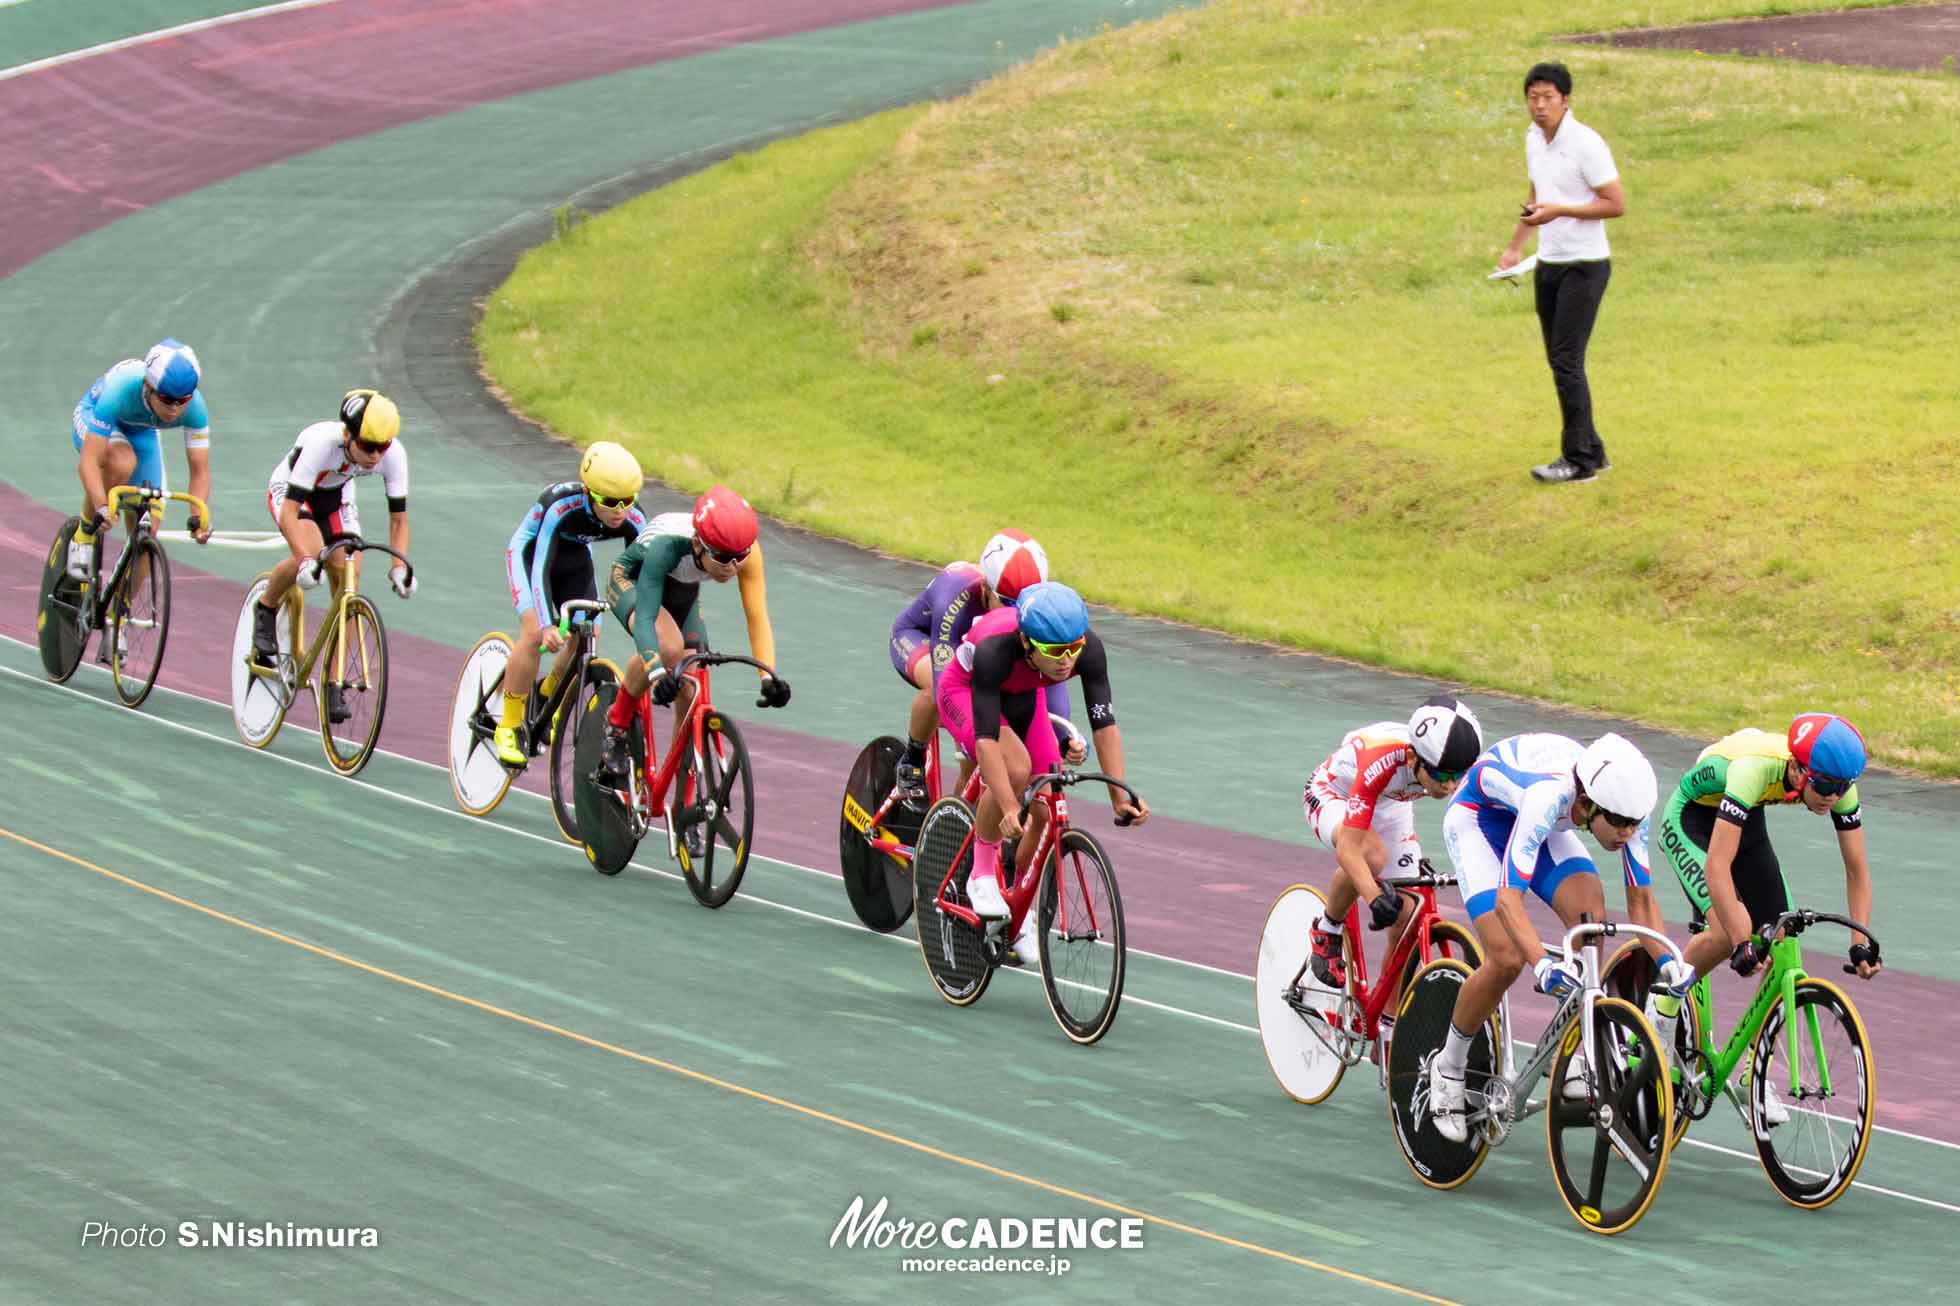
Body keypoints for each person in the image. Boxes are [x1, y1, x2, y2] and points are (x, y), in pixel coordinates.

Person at [1427, 732, 1664, 1143]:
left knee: (1590, 916)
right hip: (1480, 820)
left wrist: (1672, 967)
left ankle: (1571, 1047)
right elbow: (1508, 900)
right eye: (1620, 823)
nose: (1627, 832)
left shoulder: (1626, 807)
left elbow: (1641, 902)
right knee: (1505, 957)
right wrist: (1542, 963)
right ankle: (1448, 1066)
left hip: (1545, 825)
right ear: (1589, 804)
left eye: (1634, 824)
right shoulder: (1547, 797)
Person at [935, 581, 1147, 965]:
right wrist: (1006, 803)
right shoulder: (995, 651)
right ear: (1026, 642)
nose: (1067, 660)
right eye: (1055, 651)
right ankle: (981, 872)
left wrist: (1119, 798)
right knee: (1014, 768)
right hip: (964, 691)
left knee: (1048, 808)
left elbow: (1105, 725)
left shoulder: (1086, 649)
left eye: (1073, 648)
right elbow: (986, 743)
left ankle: (1018, 906)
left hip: (1023, 695)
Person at [1646, 714, 1879, 1063]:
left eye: (1842, 788)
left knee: (1782, 932)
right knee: (1726, 930)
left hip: (1745, 813)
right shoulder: (1752, 771)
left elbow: (1856, 870)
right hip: (1691, 817)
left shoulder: (1839, 785)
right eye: (1826, 786)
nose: (1834, 796)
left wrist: (1859, 944)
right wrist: (1742, 939)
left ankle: (1754, 1070)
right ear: (1799, 771)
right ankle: (1661, 1007)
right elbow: (1716, 866)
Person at [1302, 698, 1485, 1020]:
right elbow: (1349, 848)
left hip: (1390, 804)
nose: (1452, 785)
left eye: (1459, 775)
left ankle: (1386, 1022)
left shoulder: (1440, 763)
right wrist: (1373, 897)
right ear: (1414, 757)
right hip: (1337, 793)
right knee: (1369, 857)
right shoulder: (1382, 760)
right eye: (1443, 776)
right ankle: (1327, 929)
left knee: (1408, 918)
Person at [599, 485, 789, 783]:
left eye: (740, 556)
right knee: (669, 647)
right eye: (724, 558)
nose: (733, 567)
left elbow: (757, 618)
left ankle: (680, 797)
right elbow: (647, 620)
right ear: (699, 544)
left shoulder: (745, 553)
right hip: (635, 580)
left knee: (692, 685)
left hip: (682, 589)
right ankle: (617, 722)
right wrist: (658, 674)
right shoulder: (667, 546)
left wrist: (767, 677)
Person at [1496, 62, 1625, 485]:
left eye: (1548, 97)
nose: (1539, 105)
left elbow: (1615, 203)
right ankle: (1593, 449)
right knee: (1559, 360)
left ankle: (1579, 462)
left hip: (1585, 266)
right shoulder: (1534, 139)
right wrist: (1516, 245)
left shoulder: (1586, 143)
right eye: (1532, 97)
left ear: (1566, 99)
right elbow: (1537, 196)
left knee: (1567, 360)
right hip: (1548, 263)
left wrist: (1561, 211)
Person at [249, 392, 414, 719]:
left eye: (383, 447)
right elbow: (290, 513)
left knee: (349, 577)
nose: (376, 456)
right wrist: (306, 560)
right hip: (294, 493)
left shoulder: (392, 454)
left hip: (337, 497)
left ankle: (334, 681)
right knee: (310, 552)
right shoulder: (322, 444)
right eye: (368, 447)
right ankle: (266, 606)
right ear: (348, 435)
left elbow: (399, 519)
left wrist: (399, 566)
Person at [494, 443, 648, 766]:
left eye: (627, 500)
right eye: (610, 502)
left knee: (588, 635)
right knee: (535, 634)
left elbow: (643, 576)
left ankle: (549, 693)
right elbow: (540, 568)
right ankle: (507, 724)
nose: (620, 510)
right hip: (533, 554)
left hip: (576, 559)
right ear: (590, 493)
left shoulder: (634, 518)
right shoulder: (561, 506)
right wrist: (548, 623)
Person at [888, 529, 1070, 802]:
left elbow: (1046, 678)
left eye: (1021, 604)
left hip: (978, 652)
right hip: (922, 638)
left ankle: (955, 824)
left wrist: (1063, 735)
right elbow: (945, 686)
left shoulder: (1035, 613)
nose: (1016, 613)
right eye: (1007, 603)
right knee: (941, 695)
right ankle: (912, 759)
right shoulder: (957, 598)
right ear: (985, 589)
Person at [68, 338, 213, 578]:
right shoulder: (121, 389)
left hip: (141, 432)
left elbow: (200, 471)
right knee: (121, 461)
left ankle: (120, 609)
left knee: (146, 534)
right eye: (167, 399)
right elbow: (88, 462)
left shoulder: (196, 408)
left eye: (183, 400)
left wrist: (197, 517)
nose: (175, 409)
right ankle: (83, 536)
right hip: (95, 416)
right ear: (148, 385)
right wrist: (100, 506)